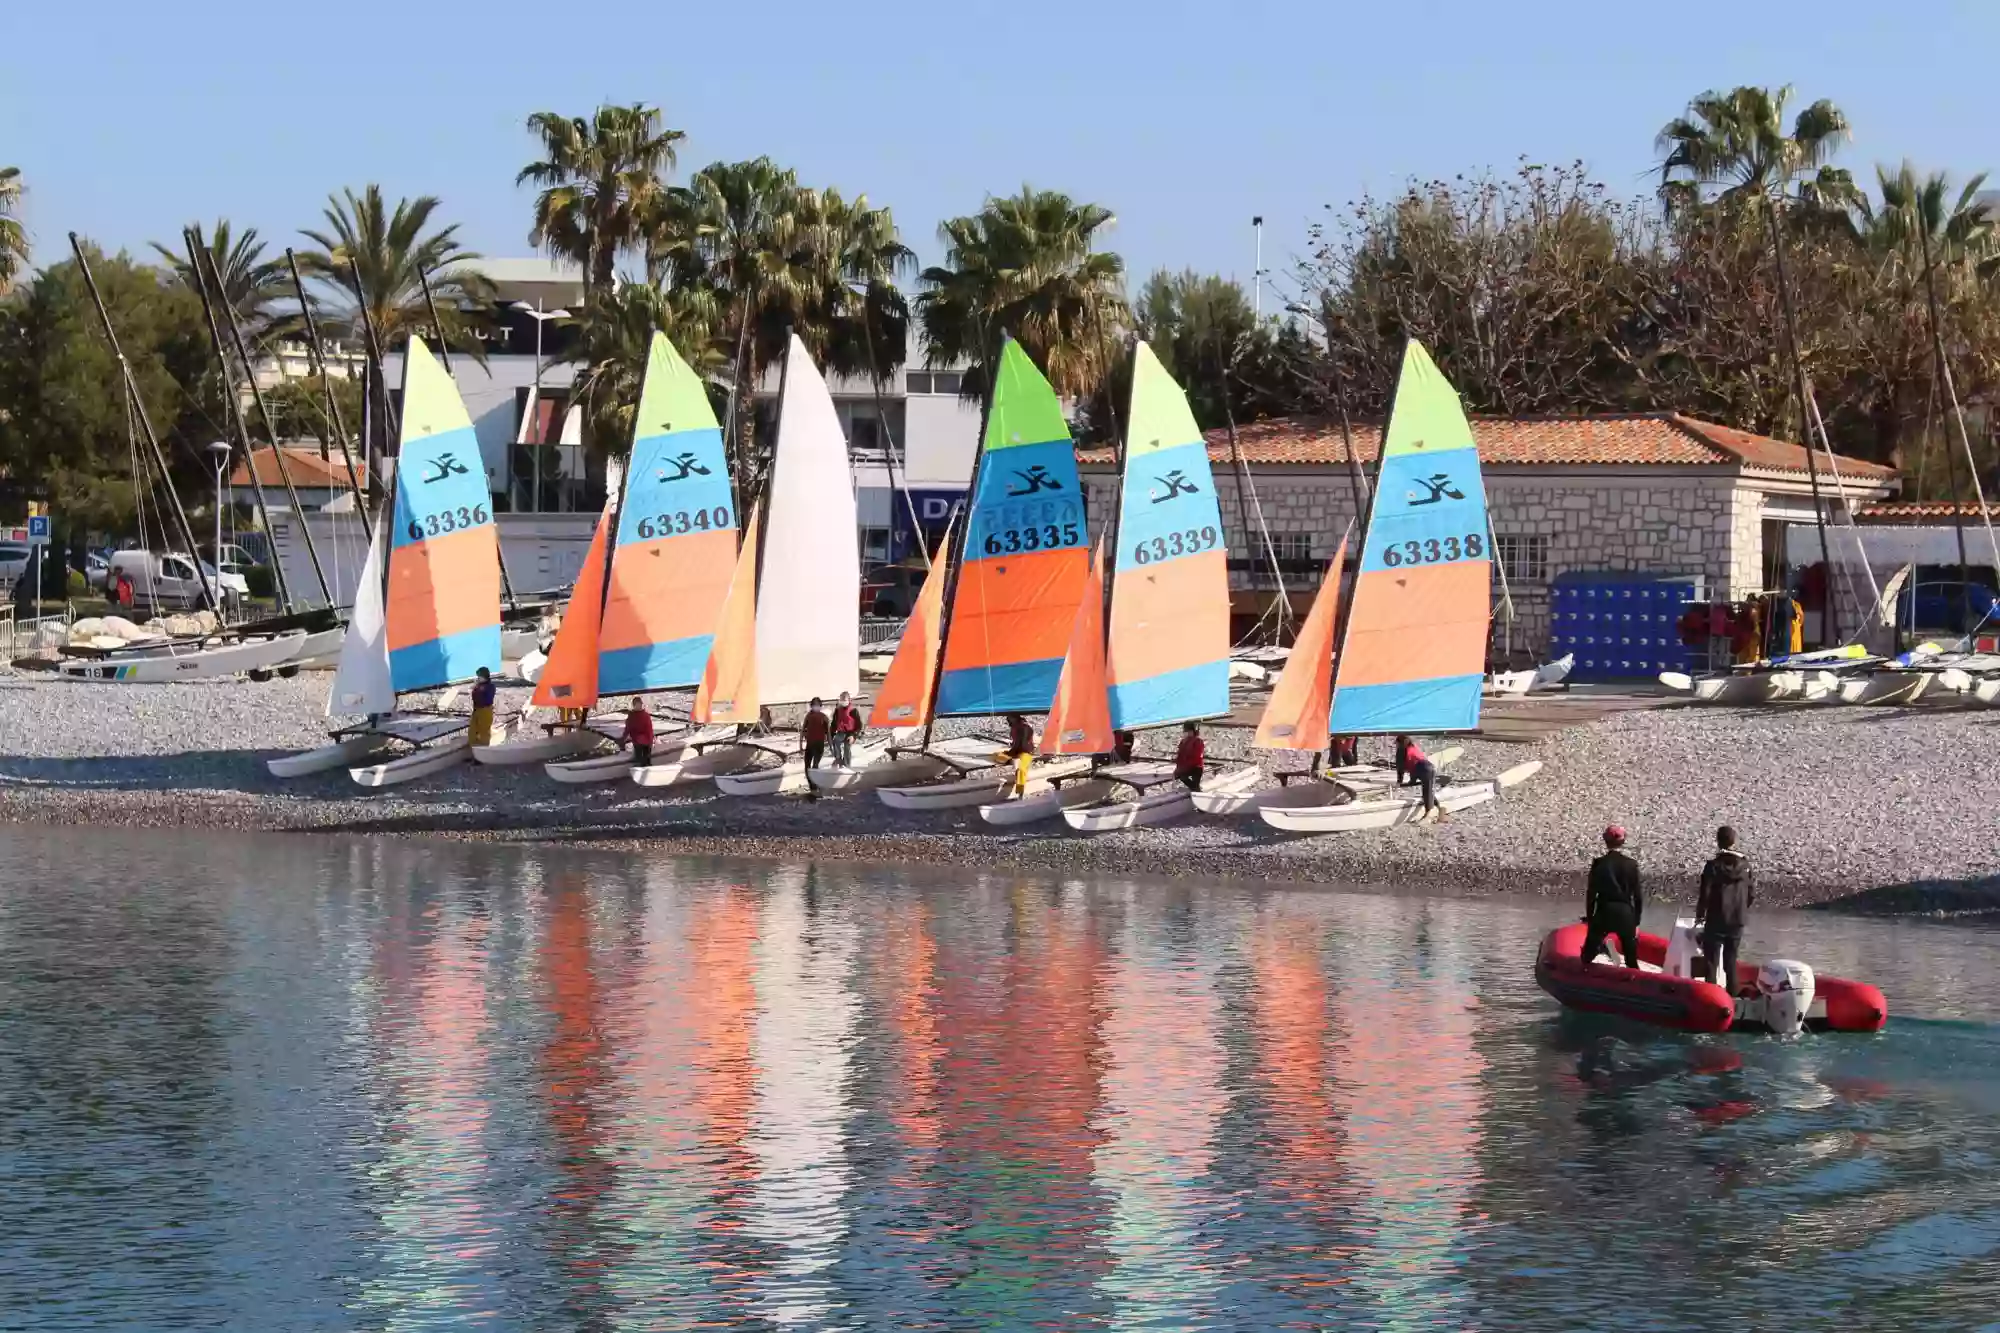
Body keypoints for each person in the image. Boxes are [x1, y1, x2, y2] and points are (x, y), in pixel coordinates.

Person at [1695, 825, 1756, 992]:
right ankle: (1733, 994)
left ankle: (1710, 995)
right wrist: (1742, 909)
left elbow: (1705, 894)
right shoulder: (1746, 866)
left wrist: (1700, 915)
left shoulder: (1712, 866)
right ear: (1734, 842)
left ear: (1717, 842)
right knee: (1731, 960)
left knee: (1711, 961)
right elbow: (1751, 894)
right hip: (1737, 919)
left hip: (1716, 917)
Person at [1583, 825, 1644, 969]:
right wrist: (1636, 921)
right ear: (1623, 842)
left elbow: (1591, 894)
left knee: (1587, 955)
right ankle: (1634, 984)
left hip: (1605, 911)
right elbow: (1638, 896)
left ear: (1605, 841)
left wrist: (1590, 917)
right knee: (1631, 959)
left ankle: (1583, 976)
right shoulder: (1631, 864)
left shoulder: (1599, 863)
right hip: (1625, 912)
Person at [1395, 734, 1442, 822]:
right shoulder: (1413, 748)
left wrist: (1401, 782)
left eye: (1397, 743)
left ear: (1400, 743)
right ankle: (1439, 808)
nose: (1396, 745)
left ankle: (1428, 814)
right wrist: (1411, 781)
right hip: (1429, 767)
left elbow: (1401, 768)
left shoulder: (1403, 751)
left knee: (1426, 791)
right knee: (1429, 789)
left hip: (1422, 769)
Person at [801, 698, 830, 800]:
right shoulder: (808, 716)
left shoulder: (824, 718)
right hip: (810, 745)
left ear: (820, 706)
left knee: (814, 766)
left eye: (817, 705)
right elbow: (803, 731)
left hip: (819, 745)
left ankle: (816, 787)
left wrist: (831, 747)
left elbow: (828, 733)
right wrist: (801, 746)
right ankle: (812, 787)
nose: (816, 707)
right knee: (807, 766)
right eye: (814, 705)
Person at [1003, 712, 1036, 795]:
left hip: (1026, 752)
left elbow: (1022, 744)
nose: (1008, 721)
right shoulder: (1015, 726)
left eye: (1010, 718)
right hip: (1017, 751)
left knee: (1021, 769)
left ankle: (1020, 792)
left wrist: (1011, 753)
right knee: (997, 755)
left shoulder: (1024, 727)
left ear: (1015, 718)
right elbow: (1016, 744)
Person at [830, 691, 862, 767]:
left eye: (844, 700)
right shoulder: (837, 711)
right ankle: (838, 759)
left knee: (847, 747)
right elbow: (834, 724)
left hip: (851, 733)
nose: (843, 701)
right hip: (841, 732)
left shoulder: (853, 711)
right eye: (841, 700)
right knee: (835, 741)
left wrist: (853, 736)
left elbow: (859, 725)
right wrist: (831, 735)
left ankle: (847, 764)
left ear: (849, 700)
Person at [1174, 721, 1206, 792]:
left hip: (1196, 767)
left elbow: (1197, 756)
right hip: (1186, 767)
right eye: (1185, 731)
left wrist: (1185, 764)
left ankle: (1197, 792)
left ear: (1192, 731)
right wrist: (1178, 766)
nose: (1186, 733)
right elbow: (1180, 755)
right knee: (1182, 776)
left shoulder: (1198, 741)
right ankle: (1195, 791)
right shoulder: (1183, 741)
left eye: (1188, 731)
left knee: (1194, 784)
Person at [469, 667, 496, 748]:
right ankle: (473, 748)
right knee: (472, 731)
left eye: (479, 677)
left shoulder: (490, 686)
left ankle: (484, 750)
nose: (478, 678)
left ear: (484, 677)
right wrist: (476, 688)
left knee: (484, 732)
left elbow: (486, 700)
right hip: (476, 710)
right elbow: (474, 697)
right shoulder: (478, 686)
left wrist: (478, 689)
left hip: (485, 710)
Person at [622, 701, 655, 769]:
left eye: (640, 704)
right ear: (634, 705)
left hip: (646, 741)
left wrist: (651, 740)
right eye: (637, 705)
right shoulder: (631, 716)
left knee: (647, 760)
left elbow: (649, 728)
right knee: (639, 759)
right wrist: (623, 738)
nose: (639, 706)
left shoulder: (646, 715)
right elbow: (628, 728)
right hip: (637, 741)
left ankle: (647, 769)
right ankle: (639, 769)